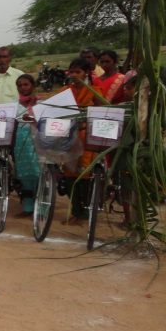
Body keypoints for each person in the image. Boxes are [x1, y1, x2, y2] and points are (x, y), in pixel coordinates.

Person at [57, 58, 96, 224]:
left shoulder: (95, 90)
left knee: (84, 175)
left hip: (87, 137)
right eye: (71, 72)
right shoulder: (65, 90)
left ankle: (84, 212)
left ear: (85, 73)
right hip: (69, 137)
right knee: (69, 175)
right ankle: (76, 210)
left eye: (77, 72)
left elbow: (102, 108)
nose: (73, 75)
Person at [14, 74, 40, 217]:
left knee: (39, 174)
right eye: (20, 85)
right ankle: (28, 207)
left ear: (32, 86)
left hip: (38, 142)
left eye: (26, 84)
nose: (23, 88)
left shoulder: (41, 103)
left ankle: (42, 208)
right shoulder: (14, 105)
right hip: (21, 143)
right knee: (24, 176)